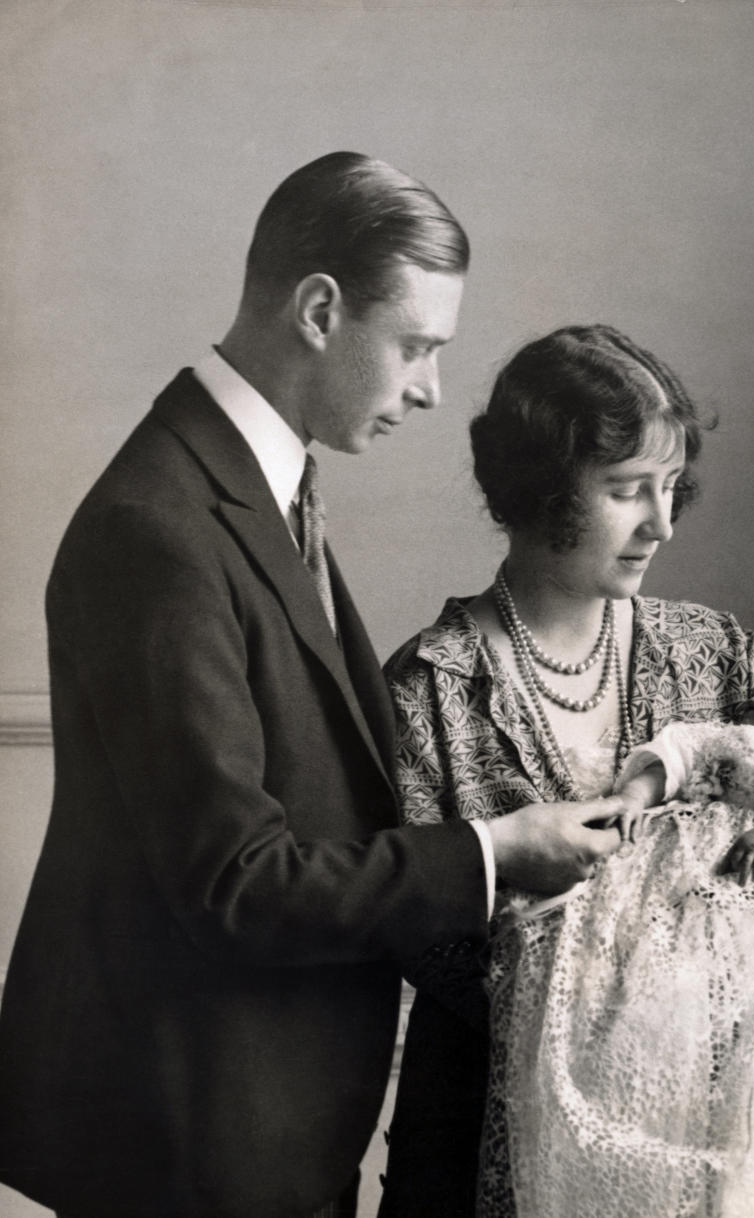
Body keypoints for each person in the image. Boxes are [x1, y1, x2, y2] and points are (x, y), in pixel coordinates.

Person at [0, 155, 622, 1218]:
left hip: (265, 1128)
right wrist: (493, 853)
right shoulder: (159, 527)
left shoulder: (250, 493)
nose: (429, 388)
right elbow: (236, 881)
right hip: (193, 1147)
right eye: (417, 347)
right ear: (322, 310)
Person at [378, 323, 754, 1217]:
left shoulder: (719, 656)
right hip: (478, 1131)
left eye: (671, 488)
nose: (663, 524)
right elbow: (412, 921)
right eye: (627, 491)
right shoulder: (431, 686)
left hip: (695, 1138)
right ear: (540, 491)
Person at [483, 666, 754, 1218]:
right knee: (639, 974)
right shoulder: (722, 736)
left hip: (744, 894)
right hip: (663, 878)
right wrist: (632, 797)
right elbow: (673, 759)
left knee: (737, 1034)